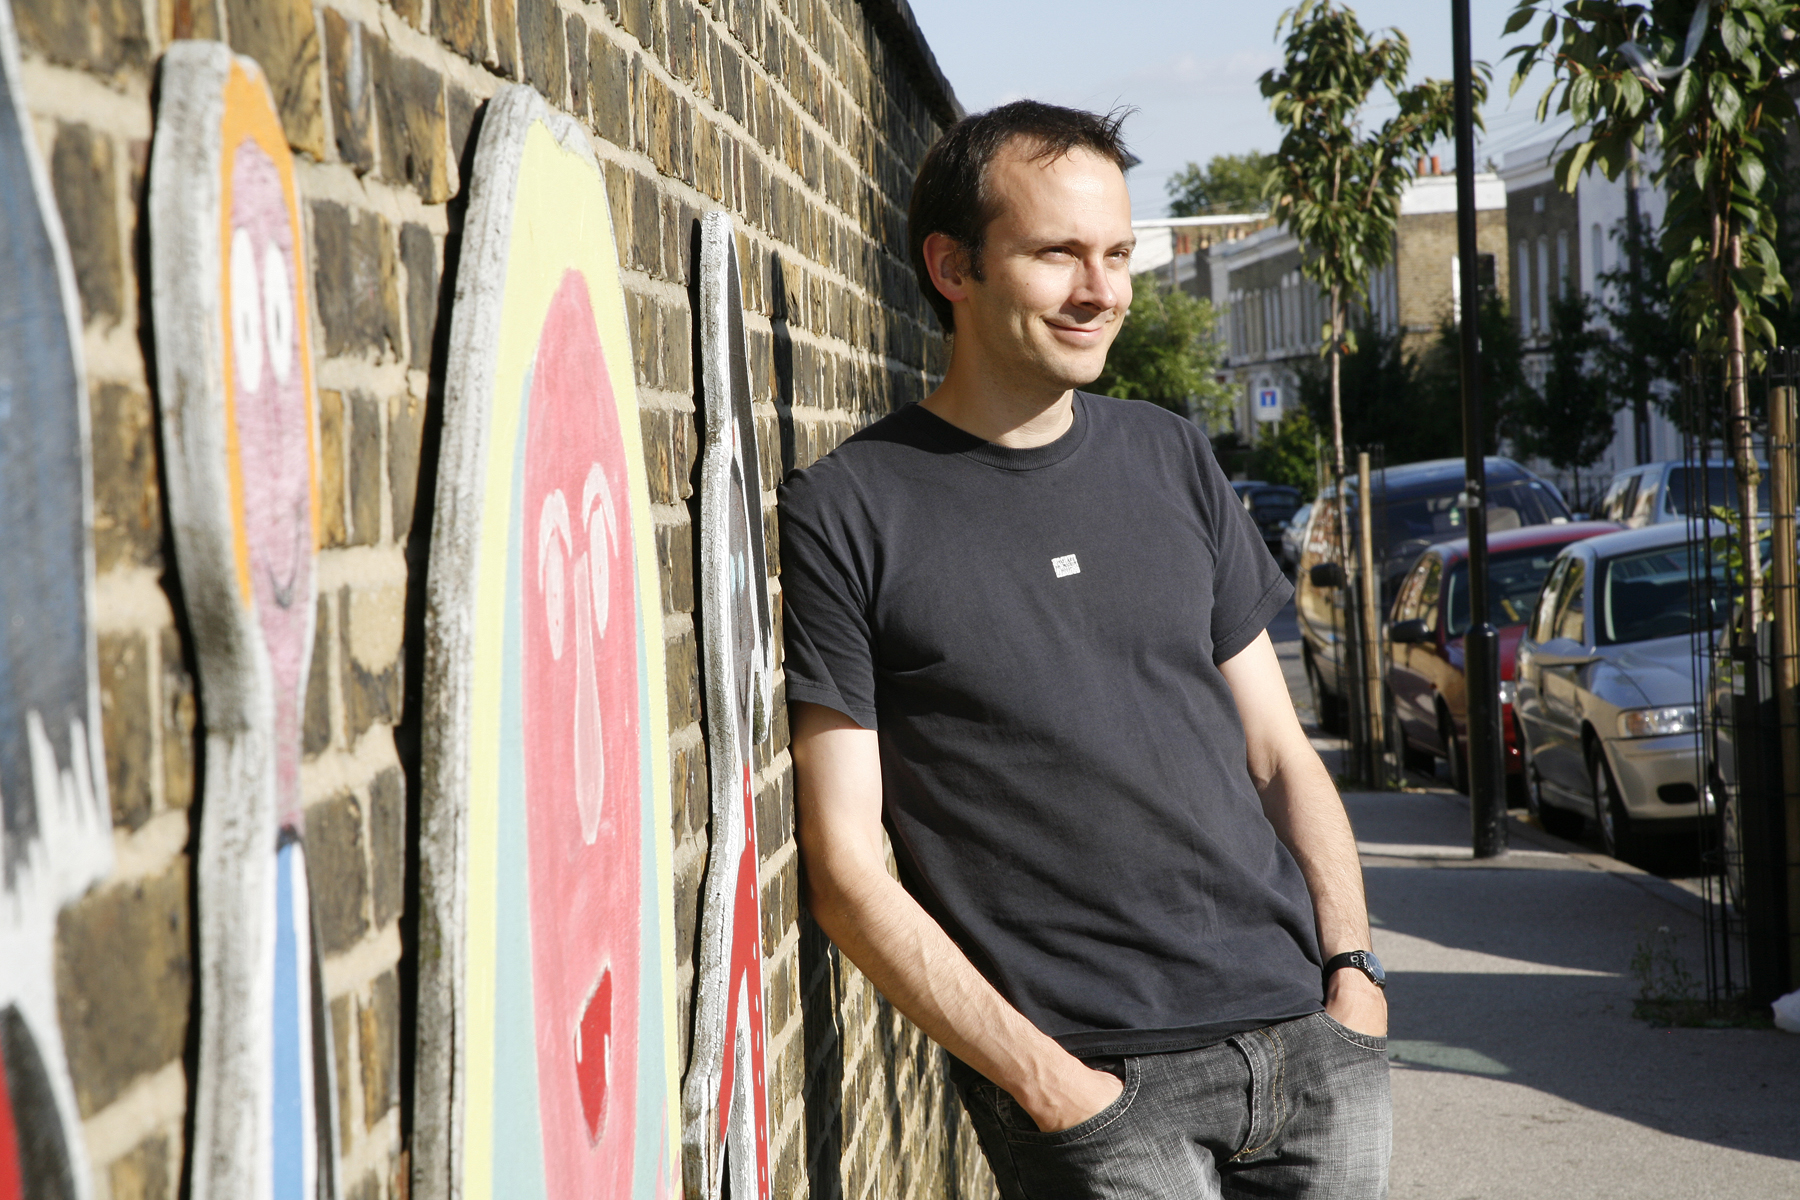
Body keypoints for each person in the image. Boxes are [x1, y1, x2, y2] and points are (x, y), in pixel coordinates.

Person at [777, 100, 1390, 1199]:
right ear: (952, 266)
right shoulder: (850, 509)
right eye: (1059, 253)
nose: (1101, 290)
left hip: (1307, 1051)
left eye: (1117, 254)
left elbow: (1278, 752)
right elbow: (846, 870)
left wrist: (1353, 977)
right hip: (1098, 1090)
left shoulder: (1171, 454)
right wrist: (1047, 1081)